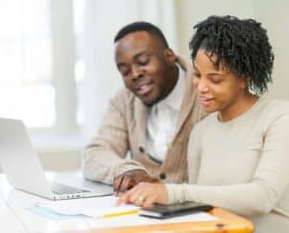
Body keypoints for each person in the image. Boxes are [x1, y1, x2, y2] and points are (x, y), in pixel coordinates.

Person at [118, 16, 289, 232]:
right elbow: (200, 205)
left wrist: (172, 192)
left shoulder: (280, 117)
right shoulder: (201, 132)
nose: (201, 87)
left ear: (244, 78)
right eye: (197, 75)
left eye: (215, 80)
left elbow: (262, 197)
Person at [83, 22, 205, 194]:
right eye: (125, 71)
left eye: (142, 62)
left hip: (204, 212)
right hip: (146, 214)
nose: (134, 74)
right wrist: (126, 169)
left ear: (170, 57)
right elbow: (95, 154)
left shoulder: (206, 88)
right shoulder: (124, 100)